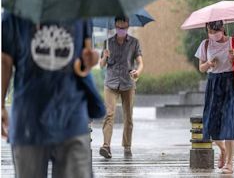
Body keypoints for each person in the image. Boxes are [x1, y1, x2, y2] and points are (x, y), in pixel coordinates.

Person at [1, 12, 99, 178]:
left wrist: (91, 59)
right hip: (32, 122)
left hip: (66, 118)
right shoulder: (16, 11)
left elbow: (85, 59)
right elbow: (5, 60)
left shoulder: (81, 8)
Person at [194, 20, 234, 174]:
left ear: (222, 28)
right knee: (211, 124)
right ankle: (222, 149)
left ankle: (230, 163)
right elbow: (201, 68)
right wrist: (209, 64)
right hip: (213, 83)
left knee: (230, 123)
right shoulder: (205, 44)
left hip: (230, 83)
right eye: (210, 31)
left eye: (216, 30)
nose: (213, 34)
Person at [99, 16, 143, 159]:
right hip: (110, 83)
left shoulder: (134, 43)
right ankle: (106, 146)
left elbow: (140, 63)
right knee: (109, 114)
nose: (121, 30)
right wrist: (105, 57)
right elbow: (101, 65)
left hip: (128, 83)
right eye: (119, 27)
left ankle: (127, 146)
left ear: (128, 26)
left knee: (128, 117)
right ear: (115, 27)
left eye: (124, 28)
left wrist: (138, 72)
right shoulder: (107, 43)